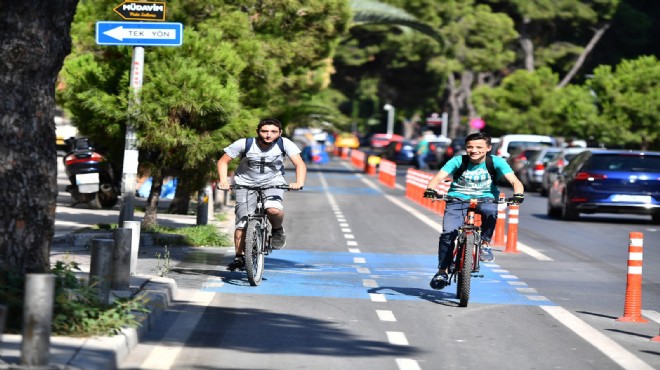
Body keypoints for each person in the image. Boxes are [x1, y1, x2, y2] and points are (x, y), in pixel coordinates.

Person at [423, 132, 524, 290]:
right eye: (470, 147)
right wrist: (430, 189)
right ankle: (442, 271)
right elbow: (438, 177)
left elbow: (514, 181)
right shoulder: (458, 160)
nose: (474, 150)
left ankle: (484, 243)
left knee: (491, 212)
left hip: (486, 198)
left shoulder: (496, 162)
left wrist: (518, 194)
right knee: (447, 234)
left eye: (479, 147)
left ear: (488, 148)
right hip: (457, 199)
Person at [217, 118, 306, 271]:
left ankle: (277, 230)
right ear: (258, 131)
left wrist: (298, 182)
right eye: (264, 131)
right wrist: (224, 181)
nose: (268, 135)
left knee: (273, 209)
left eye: (273, 132)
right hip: (245, 184)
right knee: (242, 222)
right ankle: (239, 257)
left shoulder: (284, 144)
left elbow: (299, 164)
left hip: (273, 183)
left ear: (280, 133)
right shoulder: (244, 144)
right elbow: (222, 162)